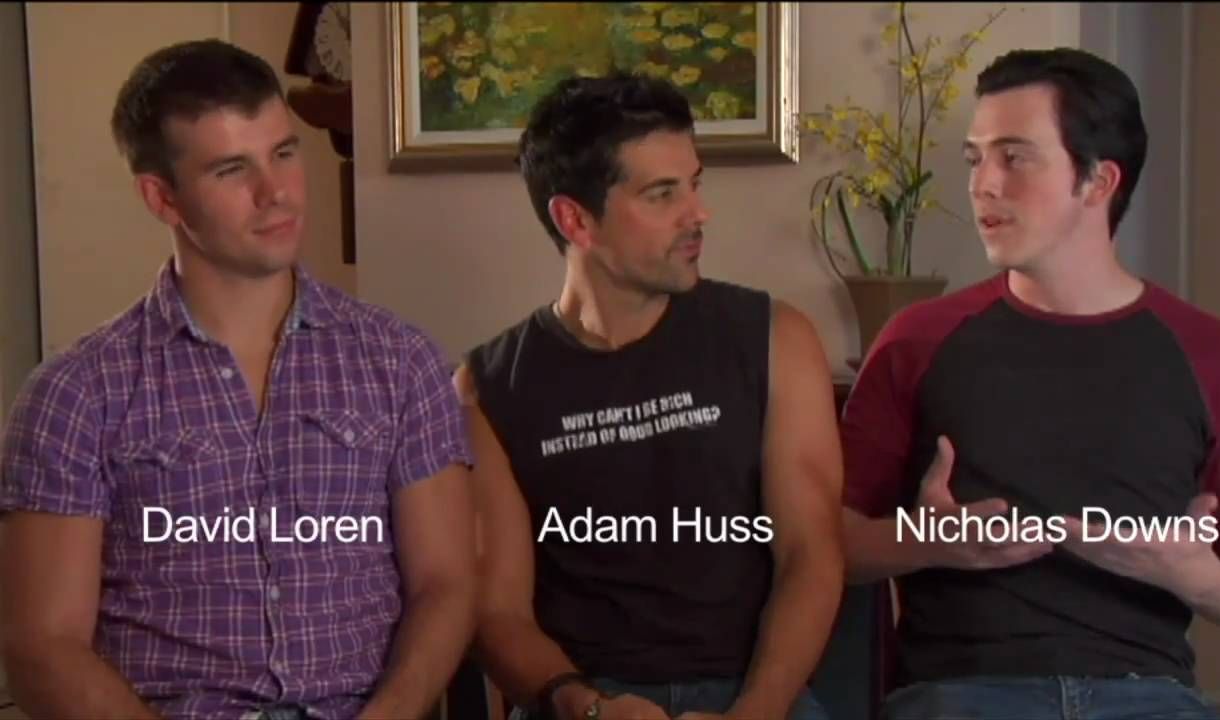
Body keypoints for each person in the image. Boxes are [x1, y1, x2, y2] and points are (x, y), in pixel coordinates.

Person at [0, 39, 477, 720]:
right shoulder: (76, 394)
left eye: (283, 153)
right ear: (162, 197)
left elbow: (446, 584)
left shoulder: (399, 362)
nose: (275, 193)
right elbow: (44, 645)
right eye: (232, 169)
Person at [839, 46, 1220, 720]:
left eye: (1014, 157)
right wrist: (926, 542)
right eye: (974, 159)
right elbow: (826, 543)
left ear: (1098, 182)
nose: (982, 185)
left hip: (1147, 696)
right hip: (962, 694)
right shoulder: (916, 340)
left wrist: (1199, 577)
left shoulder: (1212, 353)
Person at [454, 71, 843, 720]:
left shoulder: (775, 338)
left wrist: (757, 711)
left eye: (694, 184)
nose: (698, 214)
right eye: (663, 194)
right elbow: (498, 611)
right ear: (576, 219)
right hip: (588, 696)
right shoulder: (488, 387)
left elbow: (812, 555)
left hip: (754, 689)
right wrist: (586, 706)